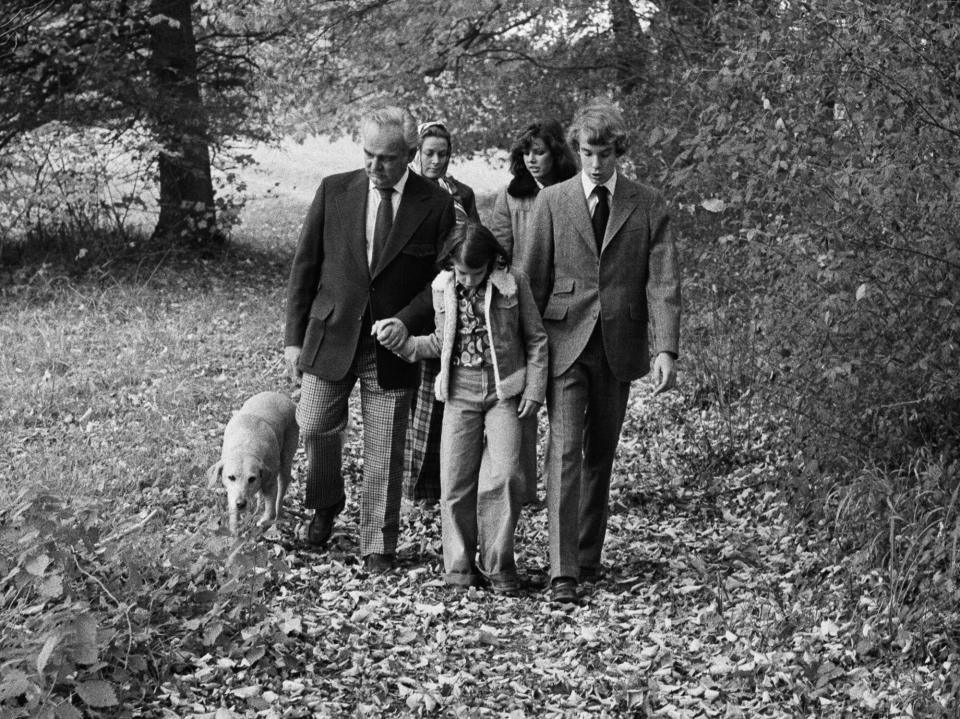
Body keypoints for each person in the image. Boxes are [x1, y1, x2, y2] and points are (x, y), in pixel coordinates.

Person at [521, 99, 681, 604]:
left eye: (605, 153)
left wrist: (666, 349)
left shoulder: (647, 203)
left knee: (600, 456)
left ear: (619, 151)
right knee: (564, 451)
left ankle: (587, 556)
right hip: (564, 342)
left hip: (620, 344)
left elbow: (663, 281)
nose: (596, 163)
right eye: (588, 152)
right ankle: (562, 570)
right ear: (577, 149)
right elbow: (531, 279)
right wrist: (530, 351)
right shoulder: (552, 201)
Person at [284, 105, 456, 574]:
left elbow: (442, 280)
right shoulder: (334, 190)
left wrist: (407, 320)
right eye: (367, 155)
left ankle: (378, 542)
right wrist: (293, 340)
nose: (373, 166)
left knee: (384, 446)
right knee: (315, 422)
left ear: (410, 154)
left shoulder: (435, 204)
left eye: (385, 158)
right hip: (331, 332)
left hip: (394, 344)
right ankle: (325, 505)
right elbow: (305, 266)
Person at [373, 222, 548, 594]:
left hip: (503, 392)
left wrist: (534, 388)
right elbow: (441, 341)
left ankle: (498, 563)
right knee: (454, 480)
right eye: (461, 272)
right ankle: (458, 566)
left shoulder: (512, 283)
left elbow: (535, 339)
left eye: (476, 272)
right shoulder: (443, 288)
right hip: (459, 392)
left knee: (503, 476)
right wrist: (402, 344)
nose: (468, 280)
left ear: (492, 263)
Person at [488, 120, 578, 505]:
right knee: (523, 394)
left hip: (568, 308)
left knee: (564, 399)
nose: (532, 159)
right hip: (523, 308)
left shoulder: (574, 192)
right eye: (526, 153)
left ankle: (558, 479)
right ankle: (523, 486)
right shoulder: (512, 196)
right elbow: (498, 252)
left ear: (555, 153)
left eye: (539, 151)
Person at [403, 121, 481, 505]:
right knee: (415, 393)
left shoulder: (461, 193)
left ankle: (441, 483)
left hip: (456, 298)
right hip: (417, 297)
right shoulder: (409, 190)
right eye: (428, 153)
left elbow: (476, 241)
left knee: (446, 390)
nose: (435, 160)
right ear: (417, 152)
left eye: (442, 153)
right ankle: (412, 484)